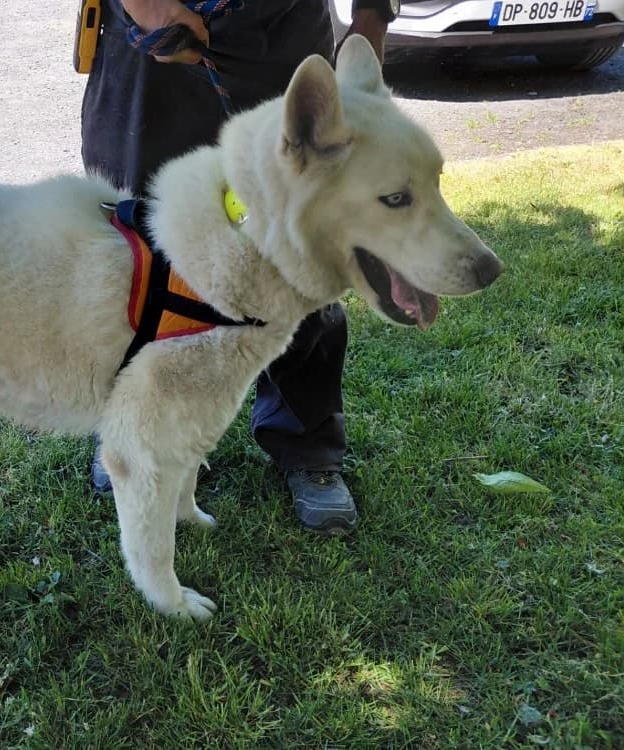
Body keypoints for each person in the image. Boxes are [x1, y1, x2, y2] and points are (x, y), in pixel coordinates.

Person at [81, 0, 399, 533]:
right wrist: (148, 6)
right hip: (152, 43)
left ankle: (307, 442)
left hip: (284, 32)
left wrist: (372, 17)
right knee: (139, 249)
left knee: (303, 239)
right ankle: (133, 429)